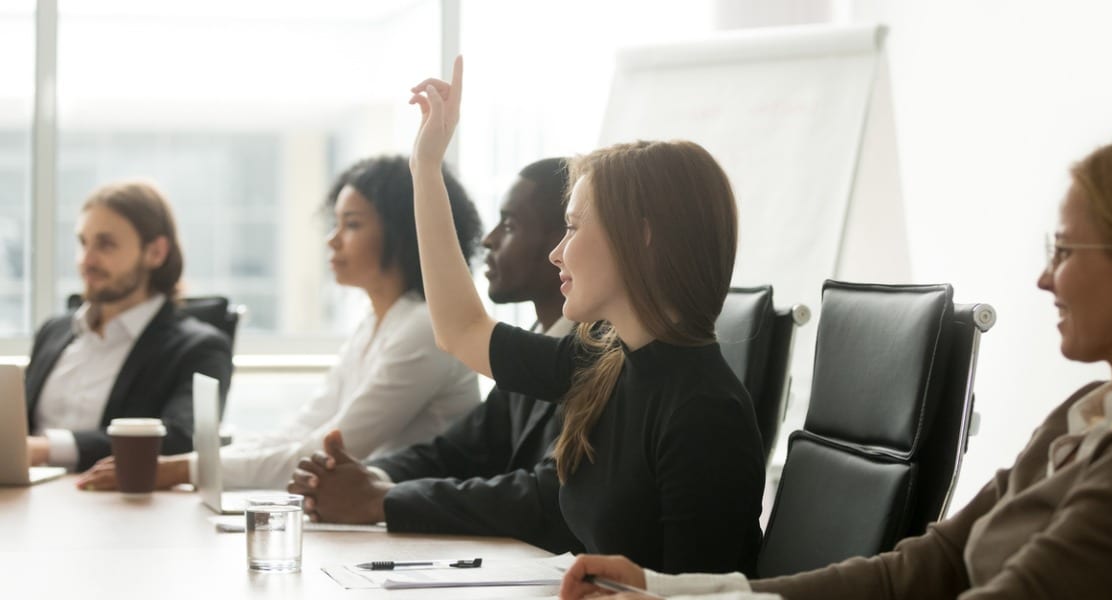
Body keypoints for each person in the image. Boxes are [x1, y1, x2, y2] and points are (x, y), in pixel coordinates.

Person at [560, 134, 1112, 599]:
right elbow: (921, 568)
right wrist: (672, 592)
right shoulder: (1086, 412)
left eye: (1063, 249)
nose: (1043, 277)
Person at [401, 57, 765, 575]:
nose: (557, 253)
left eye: (572, 228)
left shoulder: (704, 412)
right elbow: (460, 329)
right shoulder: (603, 363)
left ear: (641, 236)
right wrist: (426, 169)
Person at [77, 155, 483, 491]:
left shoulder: (424, 328)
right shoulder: (377, 324)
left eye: (352, 224)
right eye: (335, 223)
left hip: (426, 534)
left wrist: (182, 470)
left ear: (405, 232)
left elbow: (328, 451)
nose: (333, 240)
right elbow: (299, 429)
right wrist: (192, 464)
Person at [287, 157, 583, 553]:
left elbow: (544, 495)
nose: (488, 240)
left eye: (510, 225)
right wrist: (367, 477)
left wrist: (379, 498)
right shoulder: (540, 341)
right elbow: (459, 450)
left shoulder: (595, 354)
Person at [24, 181, 232, 473]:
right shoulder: (53, 332)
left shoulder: (199, 348)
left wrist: (46, 450)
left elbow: (181, 438)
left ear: (156, 252)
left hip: (117, 505)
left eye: (105, 244)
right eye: (83, 243)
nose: (87, 261)